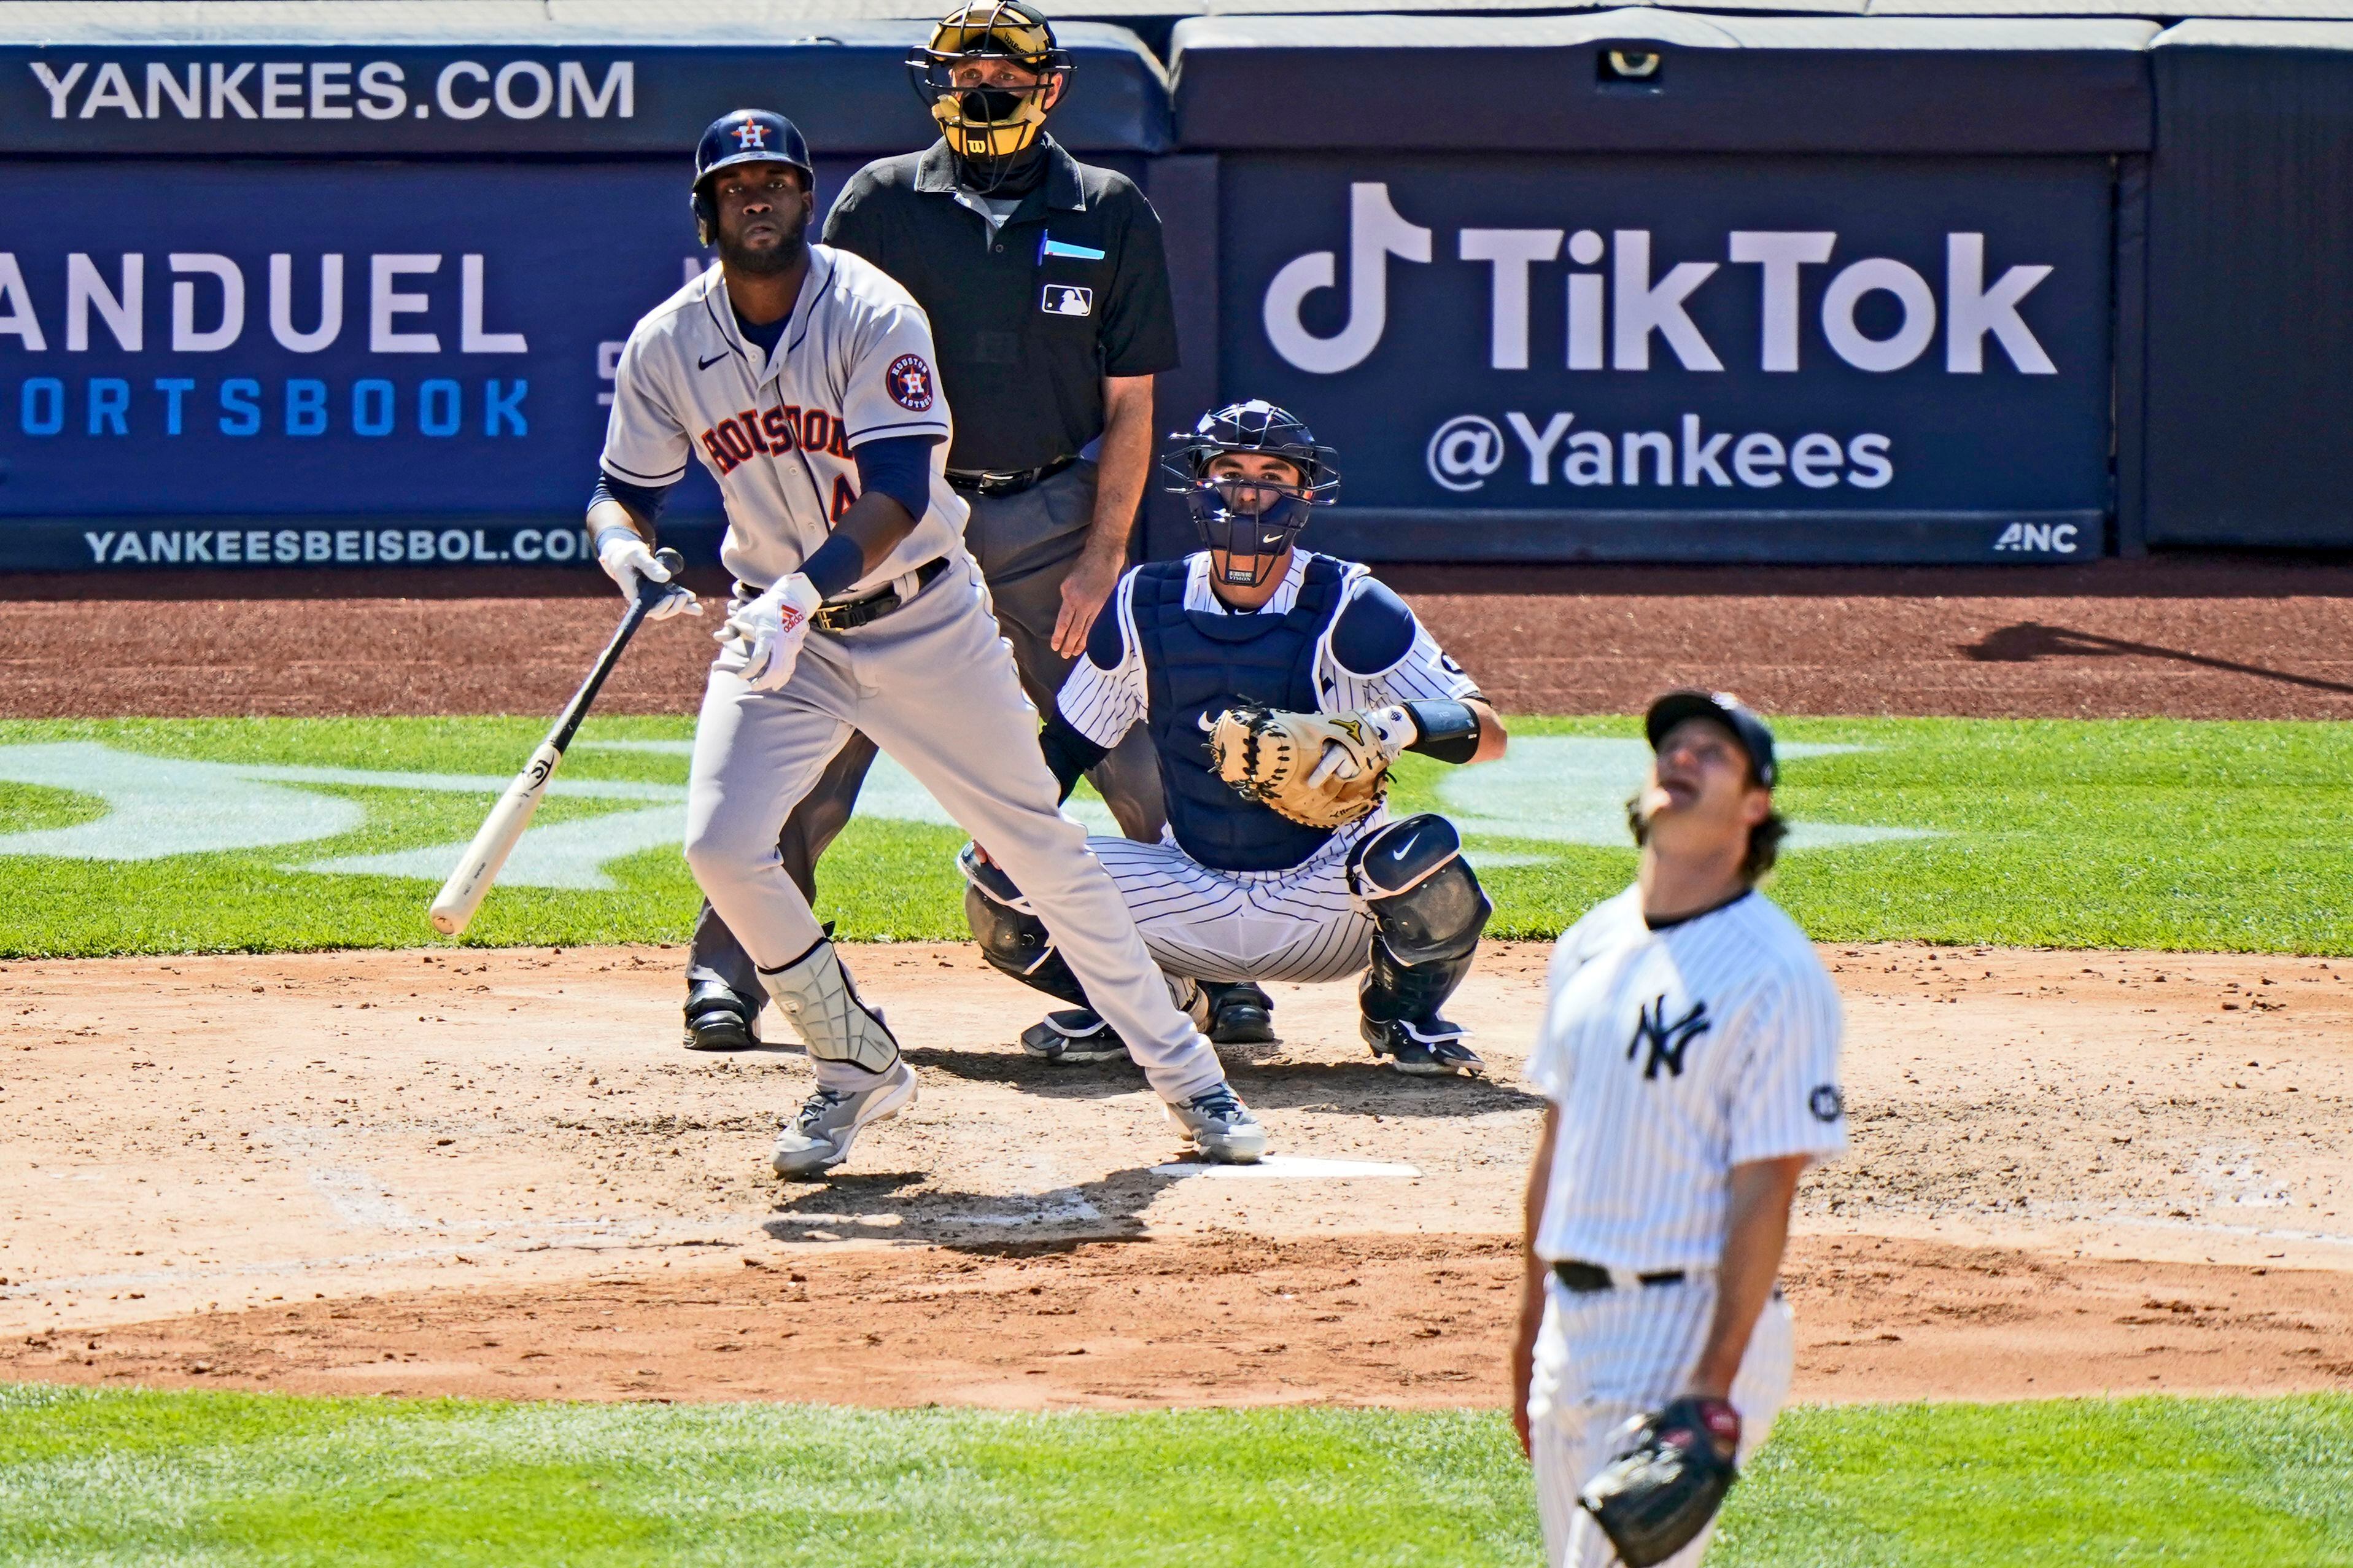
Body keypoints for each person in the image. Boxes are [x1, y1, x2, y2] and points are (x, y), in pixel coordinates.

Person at [589, 109, 1265, 1171]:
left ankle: (1191, 1080)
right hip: (782, 637)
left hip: (921, 621)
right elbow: (620, 492)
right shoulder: (670, 340)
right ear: (706, 209)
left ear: (807, 201)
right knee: (721, 846)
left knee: (1042, 848)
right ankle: (855, 1061)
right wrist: (621, 550)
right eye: (734, 185)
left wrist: (794, 595)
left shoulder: (870, 309)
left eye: (774, 181)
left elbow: (900, 490)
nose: (755, 197)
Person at [679, 0, 1187, 1052]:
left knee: (1132, 751)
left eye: (1004, 74)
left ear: (1049, 88)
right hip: (899, 520)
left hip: (1051, 511)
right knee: (808, 755)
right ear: (936, 86)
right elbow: (815, 362)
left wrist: (1102, 556)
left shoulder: (1109, 206)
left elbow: (1132, 401)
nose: (983, 89)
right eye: (965, 74)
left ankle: (1208, 968)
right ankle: (727, 973)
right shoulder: (878, 202)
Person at [959, 399, 1510, 1074]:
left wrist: (1393, 726)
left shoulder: (1350, 603)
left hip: (1323, 897)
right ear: (1199, 484)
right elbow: (1070, 745)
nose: (1248, 492)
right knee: (996, 875)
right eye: (1229, 471)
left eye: (1271, 474)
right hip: (1185, 882)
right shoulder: (1143, 601)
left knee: (1425, 863)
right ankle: (1151, 1007)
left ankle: (1397, 1014)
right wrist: (1009, 819)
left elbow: (1488, 732)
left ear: (1304, 492)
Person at [1510, 691, 1847, 1567]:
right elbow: (1559, 1144)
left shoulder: (1775, 971)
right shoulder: (1589, 943)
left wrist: (1714, 1381)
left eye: (1713, 754)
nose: (1682, 759)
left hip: (1687, 1322)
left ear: (1753, 807)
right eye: (1674, 745)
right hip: (1572, 1331)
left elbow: (1767, 1183)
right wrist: (1527, 1328)